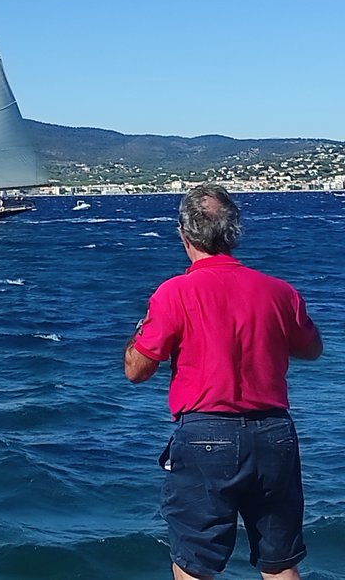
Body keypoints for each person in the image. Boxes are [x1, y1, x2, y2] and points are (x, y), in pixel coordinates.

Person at [124, 183, 323, 580]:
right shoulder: (280, 292)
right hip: (274, 433)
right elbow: (311, 349)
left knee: (195, 566)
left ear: (183, 234)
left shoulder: (173, 293)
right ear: (233, 232)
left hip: (205, 432)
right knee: (281, 563)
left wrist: (138, 335)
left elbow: (137, 370)